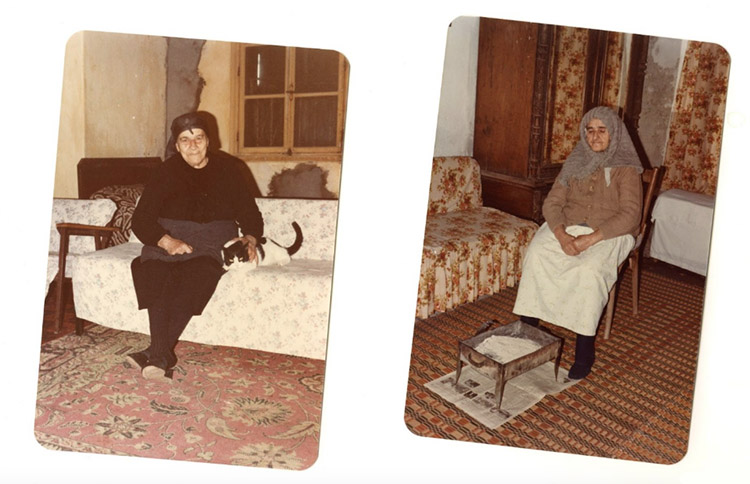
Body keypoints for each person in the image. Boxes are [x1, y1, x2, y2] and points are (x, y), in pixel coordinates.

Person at [126, 112, 264, 381]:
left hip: (213, 240)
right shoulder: (165, 172)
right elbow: (141, 219)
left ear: (208, 141)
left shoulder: (229, 170)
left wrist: (250, 238)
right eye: (184, 140)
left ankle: (157, 354)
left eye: (198, 138)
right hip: (168, 235)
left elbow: (250, 213)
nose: (192, 145)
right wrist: (166, 241)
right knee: (153, 271)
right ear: (176, 146)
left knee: (198, 273)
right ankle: (161, 355)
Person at [513, 106, 643, 380]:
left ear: (614, 134)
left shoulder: (626, 168)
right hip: (569, 226)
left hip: (610, 231)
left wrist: (590, 239)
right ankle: (527, 332)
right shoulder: (575, 161)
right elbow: (553, 202)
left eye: (602, 130)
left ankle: (585, 349)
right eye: (590, 130)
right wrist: (561, 235)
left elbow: (631, 214)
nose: (595, 137)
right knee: (537, 254)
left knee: (589, 271)